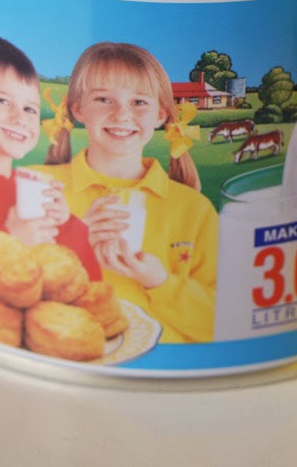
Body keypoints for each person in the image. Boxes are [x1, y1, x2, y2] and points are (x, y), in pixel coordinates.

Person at [42, 41, 216, 344]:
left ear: (162, 114)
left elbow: (223, 322)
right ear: (77, 108)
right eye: (103, 99)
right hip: (63, 353)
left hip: (170, 367)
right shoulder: (41, 187)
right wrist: (75, 247)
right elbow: (5, 293)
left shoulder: (194, 208)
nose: (121, 115)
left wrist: (161, 282)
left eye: (139, 102)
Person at [0, 34, 100, 279]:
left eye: (30, 109)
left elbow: (87, 279)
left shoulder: (29, 191)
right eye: (3, 100)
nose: (20, 118)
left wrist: (65, 225)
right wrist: (12, 242)